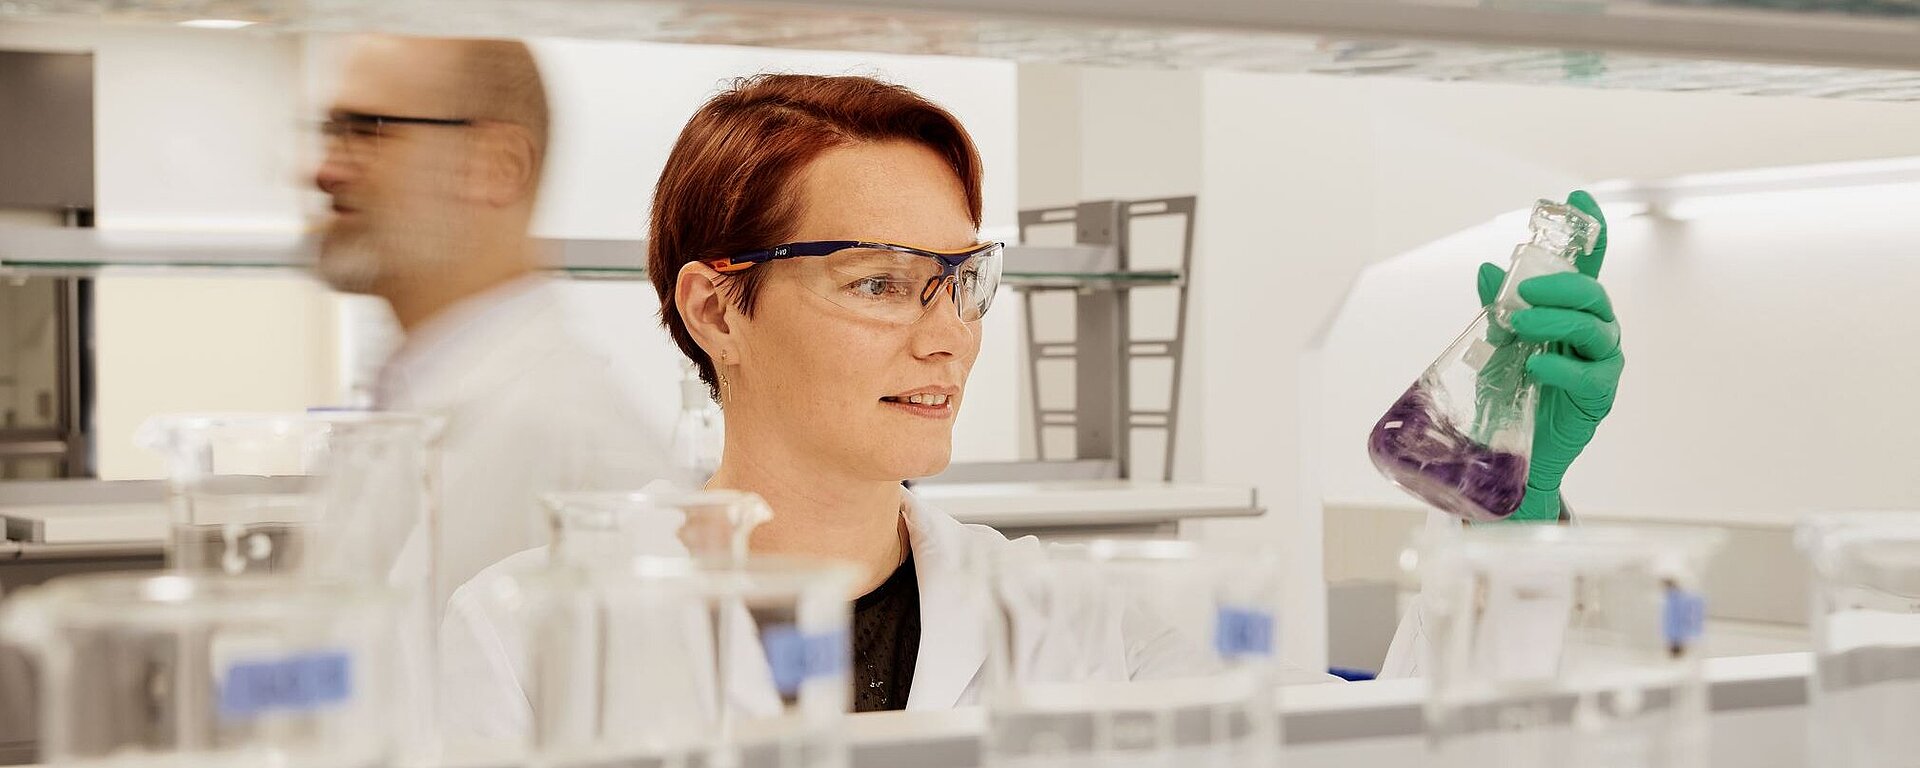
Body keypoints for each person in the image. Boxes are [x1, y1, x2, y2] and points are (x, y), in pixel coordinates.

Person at [311, 35, 669, 604]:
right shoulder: (413, 396)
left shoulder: (583, 451)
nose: (323, 170)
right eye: (331, 131)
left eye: (368, 130)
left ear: (500, 166)